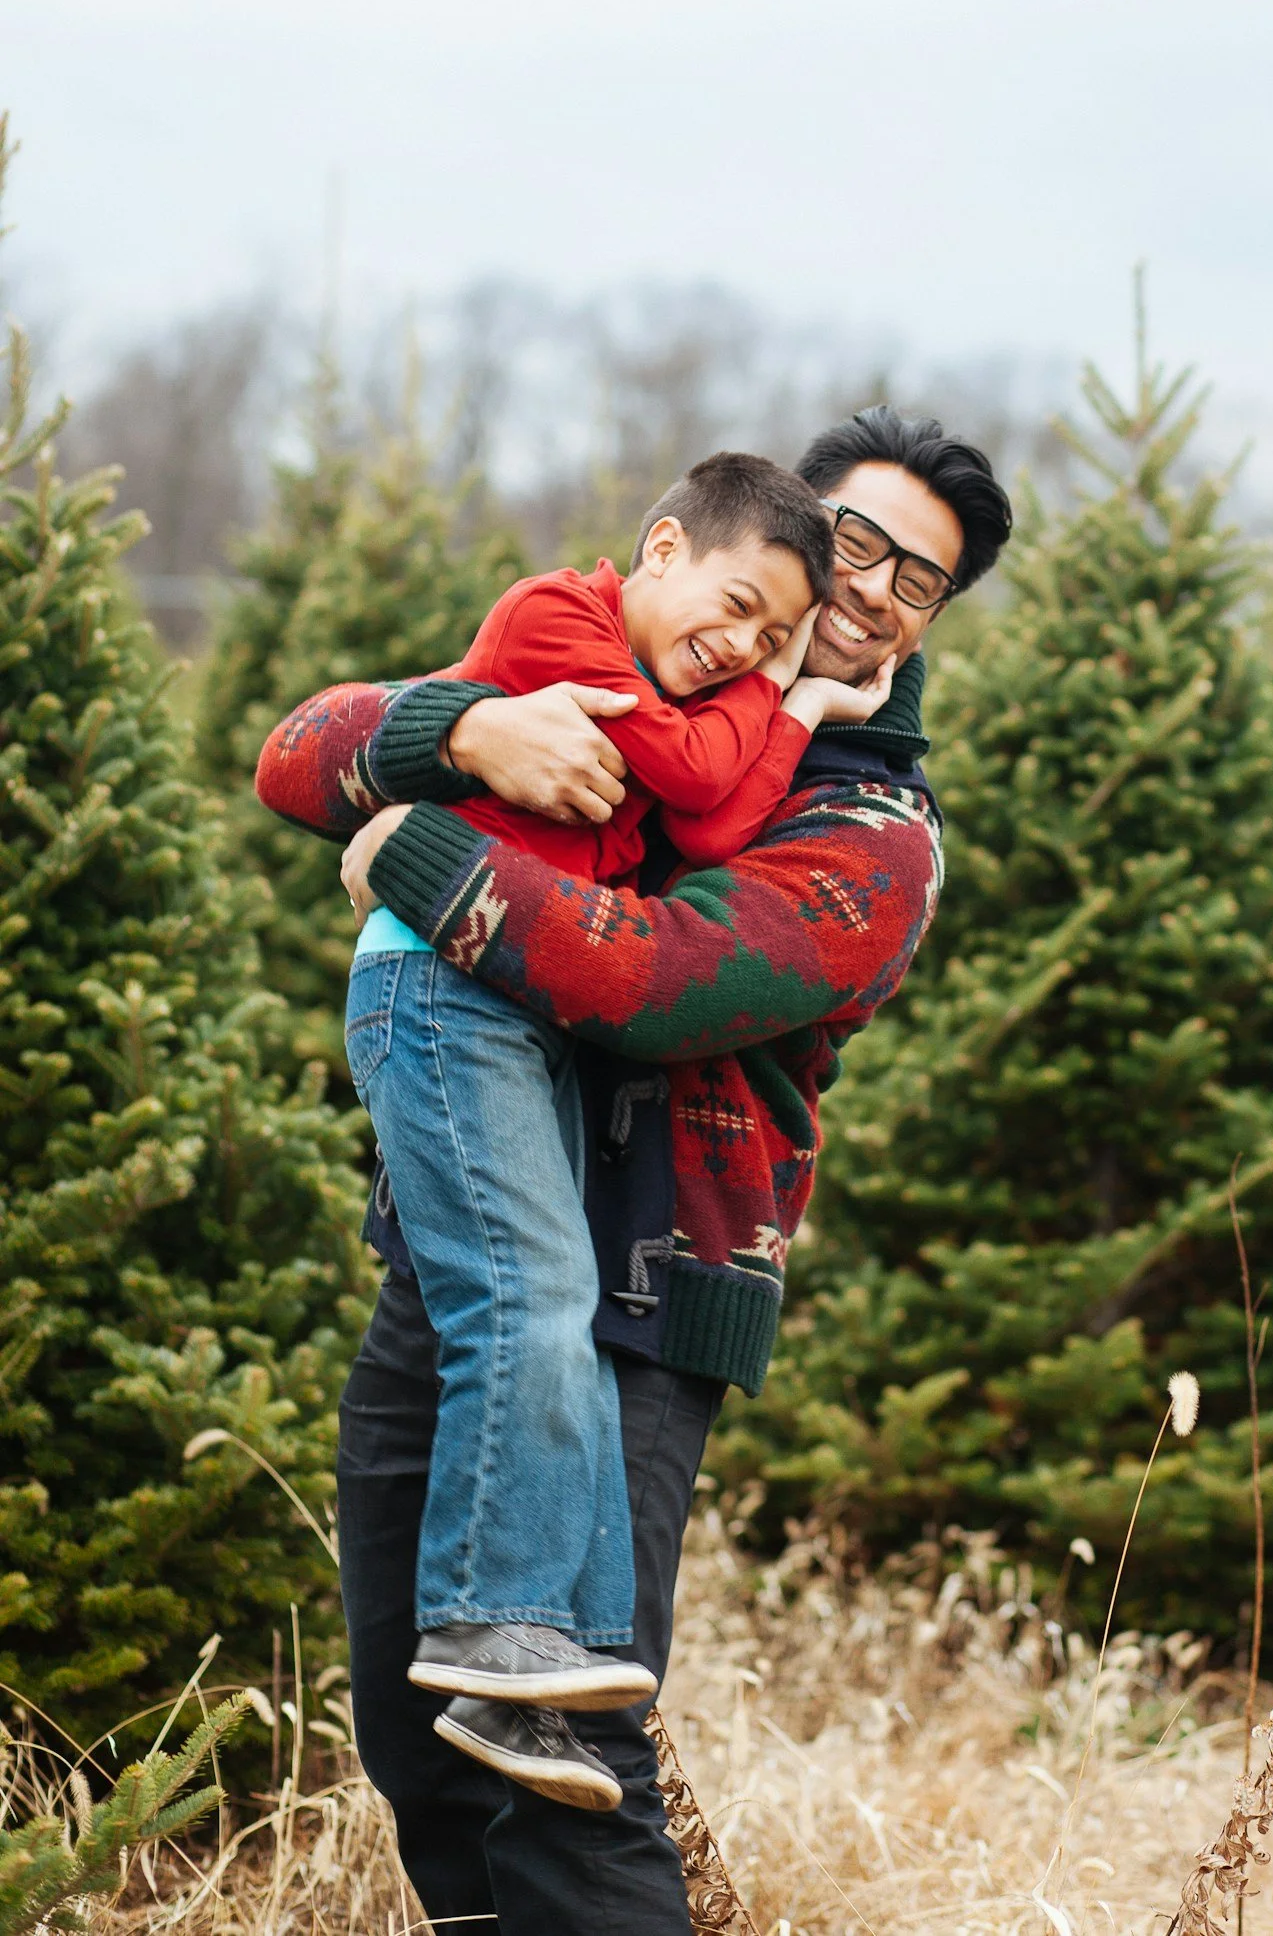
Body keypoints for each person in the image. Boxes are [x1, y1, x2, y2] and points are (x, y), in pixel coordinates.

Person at [254, 407, 1014, 1935]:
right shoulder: (633, 663)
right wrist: (461, 735)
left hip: (640, 1302)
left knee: (565, 1766)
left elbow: (660, 976)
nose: (870, 590)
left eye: (914, 581)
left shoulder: (872, 825)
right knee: (418, 1729)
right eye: (848, 542)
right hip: (458, 1271)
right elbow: (300, 745)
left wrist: (414, 845)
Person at [324, 453, 890, 1808]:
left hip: (513, 1013)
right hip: (442, 985)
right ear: (659, 547)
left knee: (547, 1298)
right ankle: (488, 1629)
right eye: (739, 604)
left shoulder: (867, 823)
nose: (744, 643)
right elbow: (698, 776)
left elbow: (719, 816)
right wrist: (790, 693)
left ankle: (544, 1655)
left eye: (774, 630)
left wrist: (777, 701)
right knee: (524, 1292)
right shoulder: (553, 619)